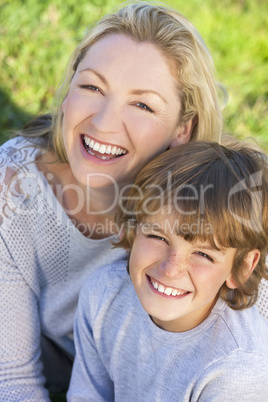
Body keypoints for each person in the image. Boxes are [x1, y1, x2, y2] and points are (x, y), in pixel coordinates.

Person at [0, 2, 224, 400]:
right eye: (92, 87)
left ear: (183, 129)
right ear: (68, 92)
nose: (103, 122)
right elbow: (12, 377)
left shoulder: (214, 203)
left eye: (142, 104)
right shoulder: (14, 189)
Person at [67, 141, 268, 401]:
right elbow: (88, 396)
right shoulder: (103, 295)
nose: (171, 269)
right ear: (131, 228)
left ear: (241, 268)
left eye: (203, 254)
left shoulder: (236, 369)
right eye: (158, 237)